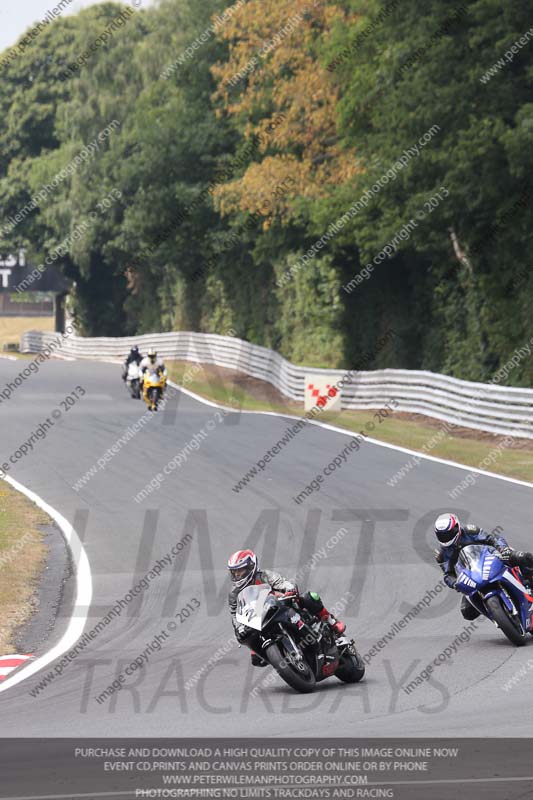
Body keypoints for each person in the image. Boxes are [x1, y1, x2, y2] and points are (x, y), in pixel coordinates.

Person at [227, 549, 346, 667]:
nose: (237, 574)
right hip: (259, 619)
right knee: (256, 659)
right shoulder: (234, 593)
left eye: (240, 570)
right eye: (234, 572)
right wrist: (239, 628)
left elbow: (281, 583)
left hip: (280, 604)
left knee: (309, 597)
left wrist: (289, 590)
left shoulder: (265, 575)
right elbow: (235, 614)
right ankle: (285, 658)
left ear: (251, 566)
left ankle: (332, 622)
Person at [434, 513, 533, 620]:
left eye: (447, 534)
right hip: (472, 576)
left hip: (493, 558)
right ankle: (498, 615)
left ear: (456, 528)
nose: (445, 538)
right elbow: (448, 574)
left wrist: (503, 549)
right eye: (441, 535)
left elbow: (492, 539)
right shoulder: (442, 554)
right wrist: (454, 584)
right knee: (467, 612)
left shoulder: (470, 531)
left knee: (524, 558)